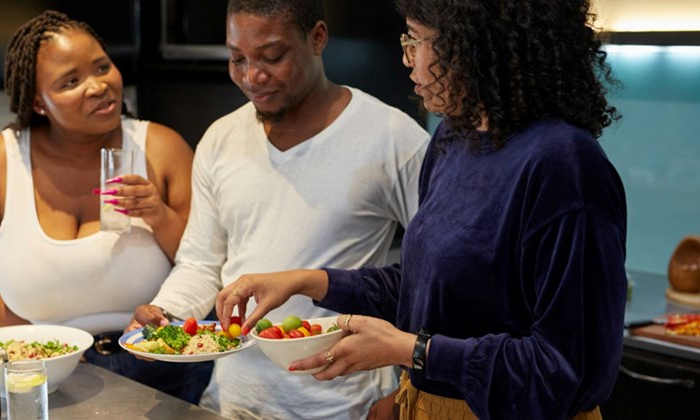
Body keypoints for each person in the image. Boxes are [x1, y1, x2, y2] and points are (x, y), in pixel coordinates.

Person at [217, 0, 628, 419]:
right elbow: (429, 289)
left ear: (472, 44)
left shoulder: (565, 165)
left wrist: (412, 351)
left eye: (416, 40)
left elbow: (569, 371)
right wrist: (310, 281)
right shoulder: (454, 138)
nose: (406, 58)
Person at [126, 0, 430, 418]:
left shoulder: (393, 138)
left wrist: (405, 392)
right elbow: (200, 263)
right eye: (237, 59)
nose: (252, 76)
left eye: (272, 56)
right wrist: (165, 314)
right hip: (231, 401)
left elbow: (434, 276)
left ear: (317, 38)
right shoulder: (221, 138)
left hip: (343, 406)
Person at [0, 10, 212, 404]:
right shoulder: (2, 161)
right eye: (72, 81)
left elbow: (203, 264)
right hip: (45, 374)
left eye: (102, 67)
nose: (99, 86)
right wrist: (39, 343)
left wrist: (158, 215)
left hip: (160, 364)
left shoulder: (161, 148)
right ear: (37, 101)